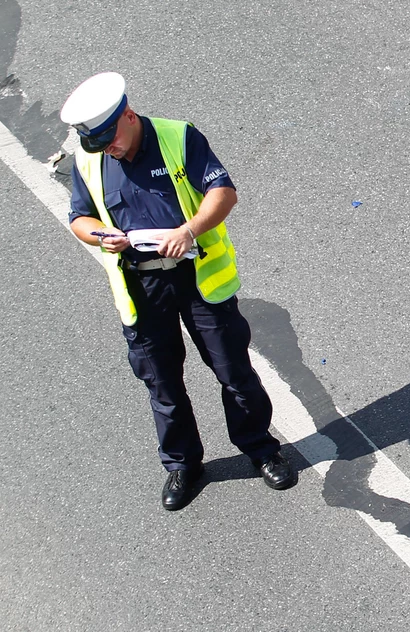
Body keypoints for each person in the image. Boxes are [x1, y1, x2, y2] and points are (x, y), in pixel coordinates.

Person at [60, 72, 296, 511]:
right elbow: (79, 216)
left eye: (110, 138)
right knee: (161, 383)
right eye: (99, 144)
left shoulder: (177, 137)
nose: (107, 149)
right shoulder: (89, 159)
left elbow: (223, 192)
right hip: (141, 284)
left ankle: (261, 449)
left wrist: (188, 231)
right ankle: (183, 465)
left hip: (197, 276)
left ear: (128, 116)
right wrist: (98, 236)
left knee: (234, 371)